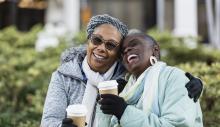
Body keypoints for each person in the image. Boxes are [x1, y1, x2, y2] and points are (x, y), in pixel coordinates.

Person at [41, 14, 203, 127]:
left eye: (111, 45)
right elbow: (48, 121)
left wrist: (194, 84)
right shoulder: (64, 76)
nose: (101, 48)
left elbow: (158, 74)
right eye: (96, 40)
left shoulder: (124, 79)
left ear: (117, 54)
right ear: (88, 41)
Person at [98, 31, 203, 127]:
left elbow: (177, 125)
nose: (126, 50)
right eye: (122, 52)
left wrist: (124, 112)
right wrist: (107, 107)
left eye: (134, 44)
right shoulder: (125, 90)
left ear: (155, 51)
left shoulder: (175, 78)